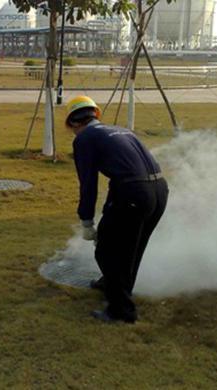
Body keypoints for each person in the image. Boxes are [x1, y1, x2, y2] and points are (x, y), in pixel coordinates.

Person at [67, 96, 169, 324]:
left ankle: (121, 312)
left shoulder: (84, 138)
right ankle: (113, 285)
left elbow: (88, 183)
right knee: (132, 248)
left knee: (106, 250)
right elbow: (125, 176)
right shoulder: (121, 130)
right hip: (159, 190)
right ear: (95, 114)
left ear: (74, 123)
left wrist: (86, 221)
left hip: (134, 192)